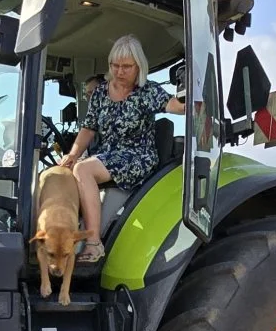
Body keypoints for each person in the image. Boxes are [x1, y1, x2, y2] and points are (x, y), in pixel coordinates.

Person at [60, 35, 185, 262]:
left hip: (137, 157)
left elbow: (173, 105)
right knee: (66, 171)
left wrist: (187, 100)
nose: (119, 71)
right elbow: (88, 128)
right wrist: (72, 154)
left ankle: (94, 244)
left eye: (126, 66)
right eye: (115, 66)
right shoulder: (100, 93)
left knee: (83, 170)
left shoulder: (147, 91)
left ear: (139, 66)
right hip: (107, 156)